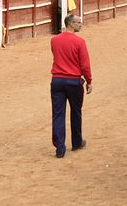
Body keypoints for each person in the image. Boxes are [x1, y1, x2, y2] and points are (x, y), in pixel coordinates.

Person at [50, 14, 92, 158]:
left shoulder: (54, 40)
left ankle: (60, 148)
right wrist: (89, 81)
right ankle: (76, 142)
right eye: (79, 22)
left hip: (57, 80)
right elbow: (84, 65)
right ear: (71, 24)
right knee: (76, 112)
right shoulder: (79, 42)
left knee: (58, 114)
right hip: (73, 81)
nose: (81, 25)